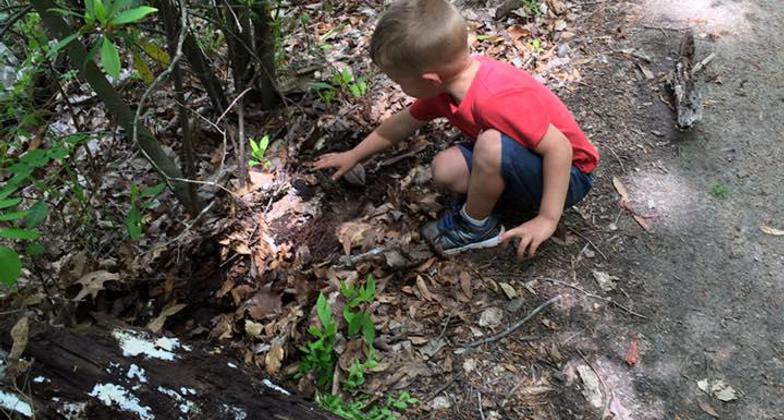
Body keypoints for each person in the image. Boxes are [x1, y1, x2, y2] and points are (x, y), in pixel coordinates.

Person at [314, 0, 599, 258]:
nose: (399, 88)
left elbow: (559, 147)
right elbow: (403, 122)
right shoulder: (445, 87)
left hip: (570, 175)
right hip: (527, 158)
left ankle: (475, 228)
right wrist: (354, 155)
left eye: (399, 81)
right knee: (445, 168)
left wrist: (548, 218)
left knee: (489, 144)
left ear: (430, 78)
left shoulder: (494, 98)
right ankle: (493, 203)